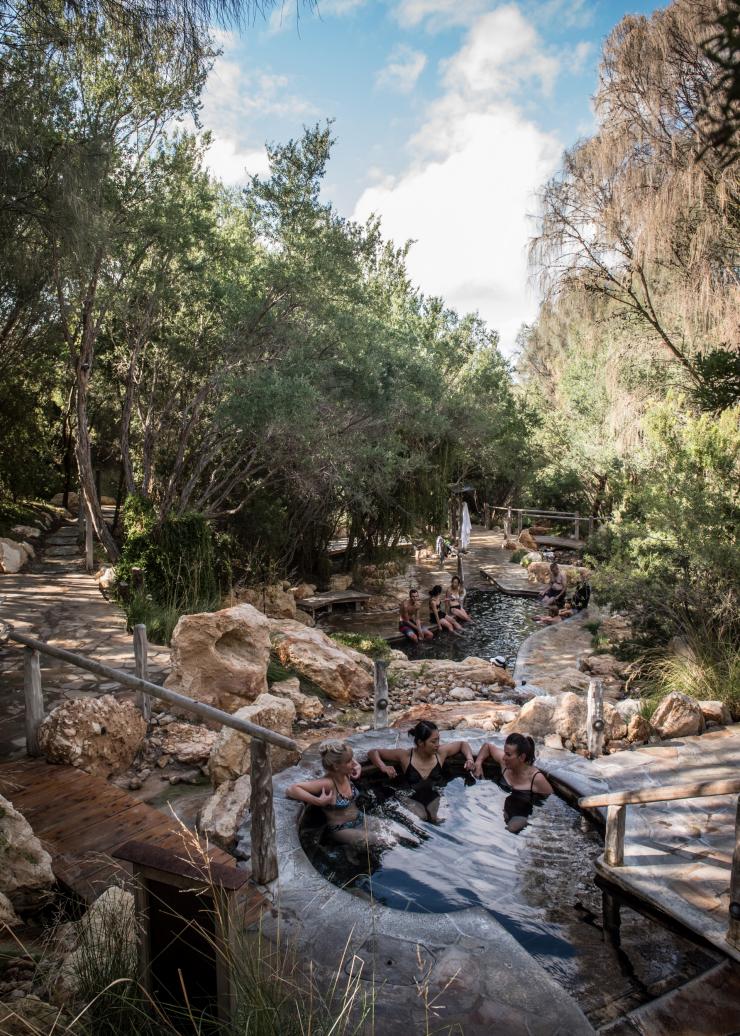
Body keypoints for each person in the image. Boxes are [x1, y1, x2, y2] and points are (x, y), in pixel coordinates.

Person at [285, 740, 393, 848]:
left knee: (393, 830)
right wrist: (317, 801)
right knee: (381, 841)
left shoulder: (346, 773)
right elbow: (291, 789)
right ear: (336, 766)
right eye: (349, 761)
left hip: (359, 818)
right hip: (342, 829)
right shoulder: (328, 783)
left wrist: (358, 765)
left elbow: (345, 758)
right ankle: (349, 851)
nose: (353, 763)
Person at [368, 720, 475, 822]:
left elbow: (462, 744)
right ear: (420, 742)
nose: (437, 744)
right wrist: (383, 767)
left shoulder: (440, 753)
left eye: (438, 739)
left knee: (438, 820)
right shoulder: (405, 756)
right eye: (433, 741)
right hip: (410, 797)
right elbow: (373, 752)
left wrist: (469, 759)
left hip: (433, 796)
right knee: (421, 819)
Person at [474, 733, 553, 833]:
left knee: (509, 831)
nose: (503, 758)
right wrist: (478, 762)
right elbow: (487, 747)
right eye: (505, 752)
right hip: (507, 808)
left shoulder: (535, 779)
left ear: (522, 757)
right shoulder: (505, 765)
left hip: (521, 813)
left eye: (508, 755)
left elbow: (552, 802)